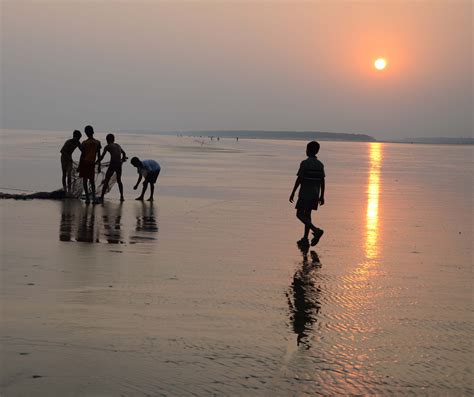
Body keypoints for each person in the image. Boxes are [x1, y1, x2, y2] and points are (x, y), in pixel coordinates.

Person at [289, 141, 325, 247]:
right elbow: (322, 181)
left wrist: (293, 192)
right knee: (307, 216)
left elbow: (299, 179)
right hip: (315, 194)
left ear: (308, 150)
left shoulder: (305, 163)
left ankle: (316, 230)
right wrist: (322, 195)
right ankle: (305, 238)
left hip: (305, 193)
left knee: (299, 214)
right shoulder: (320, 165)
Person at [98, 133, 127, 202]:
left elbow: (102, 157)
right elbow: (124, 153)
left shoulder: (107, 146)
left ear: (107, 140)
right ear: (114, 139)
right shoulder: (118, 145)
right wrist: (123, 159)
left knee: (106, 180)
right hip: (119, 164)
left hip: (113, 164)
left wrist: (96, 162)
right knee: (119, 180)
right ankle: (122, 196)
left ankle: (101, 197)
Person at [78, 125, 101, 204]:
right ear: (93, 132)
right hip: (91, 163)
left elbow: (82, 155)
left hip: (84, 163)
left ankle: (87, 198)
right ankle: (94, 198)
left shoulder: (84, 143)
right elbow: (99, 155)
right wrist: (99, 165)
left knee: (85, 181)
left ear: (86, 133)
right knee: (92, 181)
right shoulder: (97, 142)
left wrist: (79, 166)